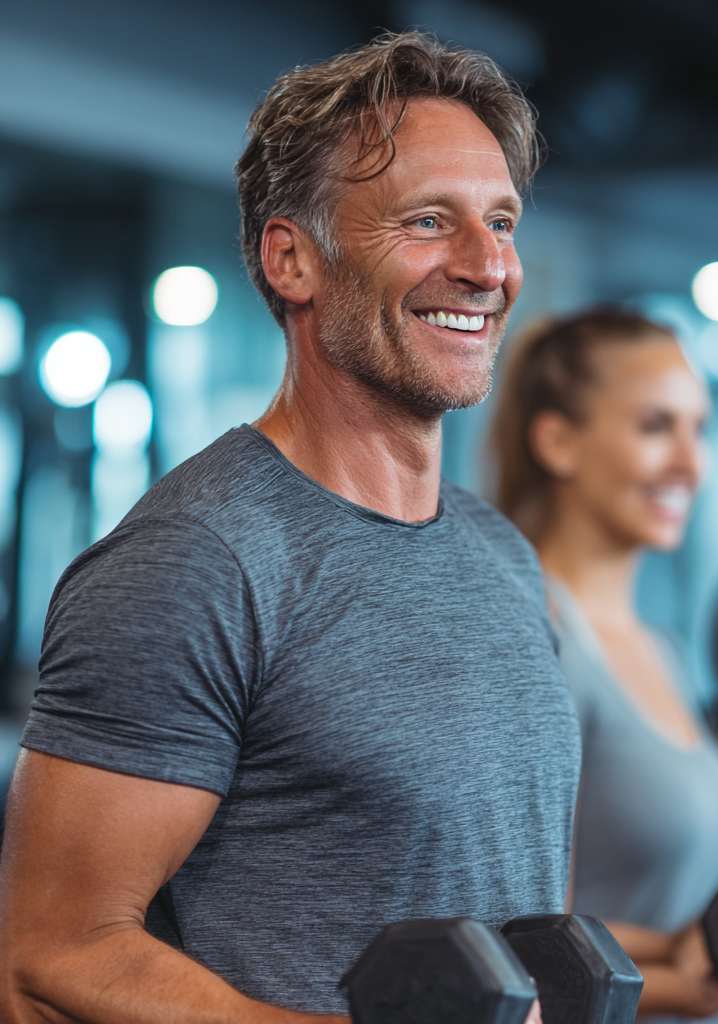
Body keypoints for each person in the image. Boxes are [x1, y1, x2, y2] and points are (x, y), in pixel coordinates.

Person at [0, 32, 581, 1023]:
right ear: (293, 259)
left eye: (501, 222)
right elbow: (50, 964)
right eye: (431, 221)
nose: (489, 267)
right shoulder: (196, 563)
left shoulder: (497, 554)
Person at [490, 308, 718, 1020]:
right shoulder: (533, 638)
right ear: (557, 440)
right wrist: (680, 981)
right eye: (654, 427)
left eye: (698, 429)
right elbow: (518, 936)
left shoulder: (661, 647)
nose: (691, 464)